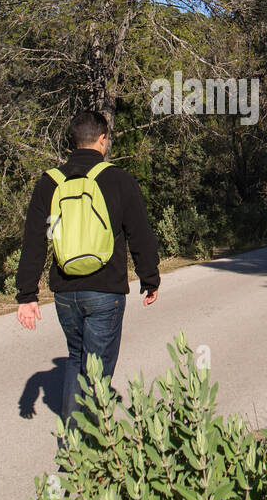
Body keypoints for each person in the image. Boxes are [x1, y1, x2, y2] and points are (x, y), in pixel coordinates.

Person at [16, 110, 160, 439]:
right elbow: (140, 234)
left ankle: (73, 438)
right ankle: (92, 443)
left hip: (65, 292)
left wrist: (27, 295)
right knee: (98, 369)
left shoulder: (49, 182)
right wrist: (149, 278)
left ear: (72, 142)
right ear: (102, 139)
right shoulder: (118, 179)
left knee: (76, 357)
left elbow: (35, 241)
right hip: (105, 290)